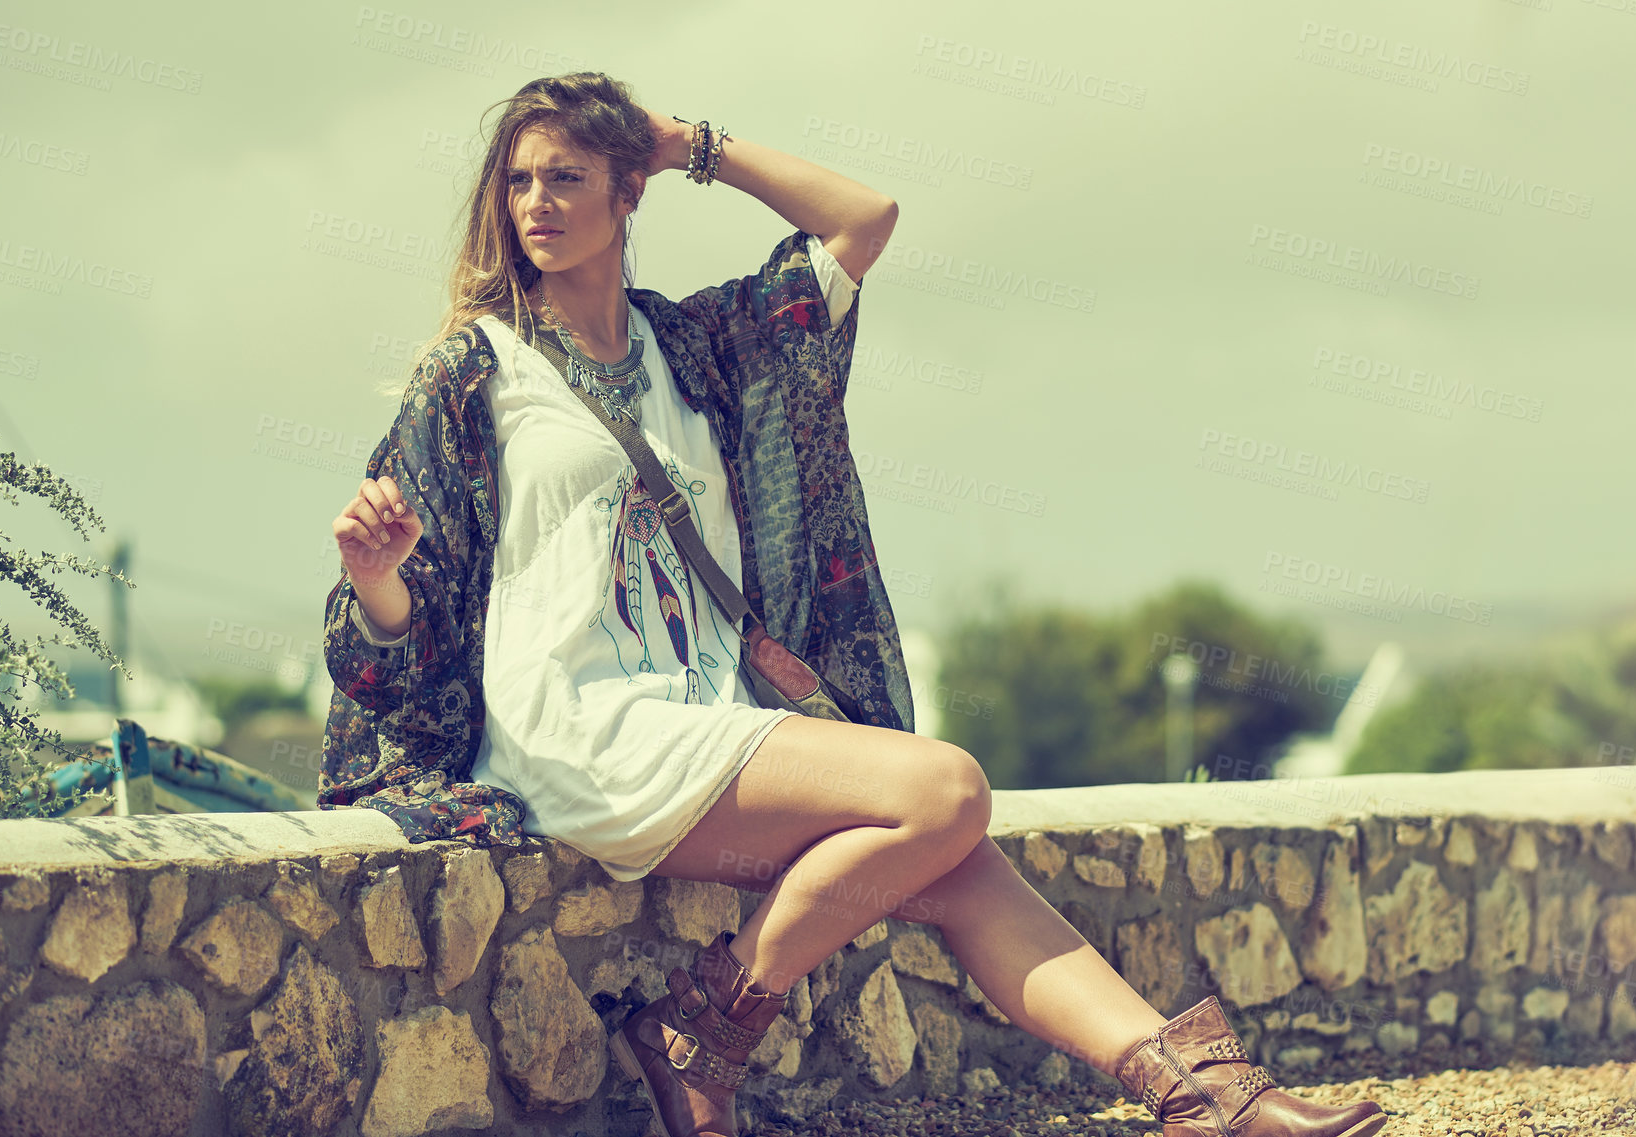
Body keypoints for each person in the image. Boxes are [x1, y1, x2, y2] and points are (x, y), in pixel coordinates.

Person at [321, 73, 1387, 1137]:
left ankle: (1196, 1096)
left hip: (703, 722)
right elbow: (390, 625)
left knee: (959, 864)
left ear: (626, 193)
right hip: (576, 731)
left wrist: (687, 141)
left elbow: (862, 220)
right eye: (517, 182)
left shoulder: (695, 349)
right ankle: (701, 1022)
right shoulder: (475, 371)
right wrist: (378, 576)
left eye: (567, 175)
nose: (536, 203)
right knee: (943, 790)